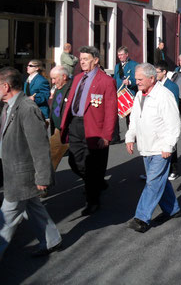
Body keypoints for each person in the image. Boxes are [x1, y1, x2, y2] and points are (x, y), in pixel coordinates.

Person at [0, 67, 62, 258]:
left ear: (5, 86)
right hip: (12, 170)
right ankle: (52, 240)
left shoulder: (27, 108)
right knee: (33, 208)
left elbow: (40, 146)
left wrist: (43, 177)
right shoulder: (8, 106)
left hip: (22, 174)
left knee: (6, 217)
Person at [60, 46, 118, 216]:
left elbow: (110, 110)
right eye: (81, 59)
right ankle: (96, 181)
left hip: (94, 127)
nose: (82, 62)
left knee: (92, 165)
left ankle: (93, 201)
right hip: (76, 124)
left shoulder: (106, 81)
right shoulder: (78, 78)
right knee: (74, 161)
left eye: (85, 59)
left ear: (96, 60)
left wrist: (107, 136)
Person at [125, 64, 181, 233]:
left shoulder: (164, 95)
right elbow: (134, 118)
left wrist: (168, 146)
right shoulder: (139, 95)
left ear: (152, 78)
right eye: (136, 79)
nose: (137, 82)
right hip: (146, 146)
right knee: (159, 181)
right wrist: (130, 137)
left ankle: (141, 218)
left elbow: (174, 124)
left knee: (152, 182)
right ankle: (173, 210)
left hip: (160, 147)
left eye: (140, 79)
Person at [155, 61, 180, 181]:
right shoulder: (156, 84)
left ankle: (174, 170)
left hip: (168, 120)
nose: (155, 74)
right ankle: (159, 171)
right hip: (158, 120)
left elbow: (174, 105)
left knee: (171, 145)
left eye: (157, 72)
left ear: (164, 72)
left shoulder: (172, 86)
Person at [48, 66, 72, 170]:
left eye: (54, 78)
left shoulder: (72, 89)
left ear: (64, 76)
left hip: (68, 131)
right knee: (49, 155)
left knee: (78, 163)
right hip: (57, 129)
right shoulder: (58, 88)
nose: (53, 82)